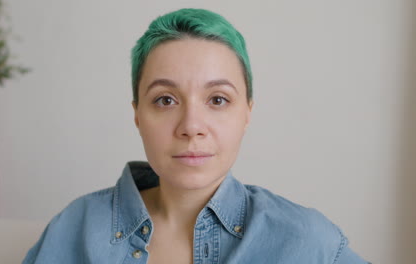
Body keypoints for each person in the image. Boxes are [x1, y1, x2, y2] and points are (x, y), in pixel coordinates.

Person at [22, 8, 369, 264]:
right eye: (165, 100)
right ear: (137, 114)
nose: (191, 125)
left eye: (217, 100)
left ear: (247, 112)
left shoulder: (308, 242)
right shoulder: (73, 227)